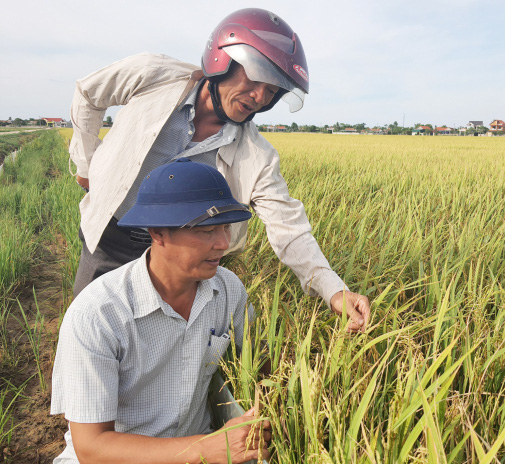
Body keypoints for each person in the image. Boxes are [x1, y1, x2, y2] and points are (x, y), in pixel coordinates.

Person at [69, 7, 370, 332]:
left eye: (271, 92)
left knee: (161, 347)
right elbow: (89, 94)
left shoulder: (257, 156)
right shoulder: (153, 75)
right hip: (110, 239)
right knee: (88, 330)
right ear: (222, 60)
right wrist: (87, 163)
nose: (259, 97)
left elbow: (289, 229)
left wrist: (333, 289)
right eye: (257, 79)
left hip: (182, 259)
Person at [52, 158, 271, 464]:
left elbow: (260, 364)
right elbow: (92, 448)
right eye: (206, 229)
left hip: (199, 449)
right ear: (158, 233)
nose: (223, 243)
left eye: (226, 227)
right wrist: (210, 447)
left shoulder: (228, 289)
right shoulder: (98, 314)